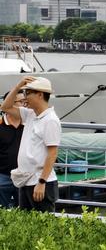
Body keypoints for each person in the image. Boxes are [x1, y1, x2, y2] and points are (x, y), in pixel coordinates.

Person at [0, 76, 60, 212]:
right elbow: (5, 107)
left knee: (43, 225)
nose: (25, 97)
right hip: (26, 180)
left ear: (40, 95)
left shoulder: (50, 120)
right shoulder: (31, 115)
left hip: (40, 182)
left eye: (28, 93)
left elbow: (52, 153)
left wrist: (42, 182)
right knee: (28, 223)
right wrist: (18, 86)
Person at [0, 91, 27, 208]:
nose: (24, 105)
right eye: (21, 102)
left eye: (25, 102)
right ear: (10, 104)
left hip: (24, 176)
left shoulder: (29, 124)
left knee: (24, 213)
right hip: (2, 177)